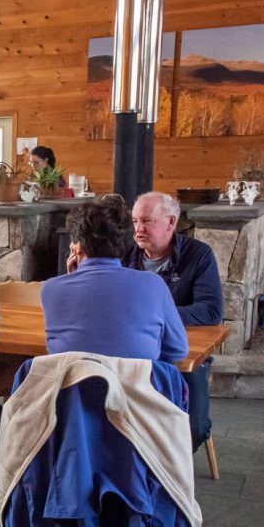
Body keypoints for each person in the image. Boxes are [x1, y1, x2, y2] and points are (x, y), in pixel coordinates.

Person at [122, 191, 222, 451]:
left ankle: (169, 474)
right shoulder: (124, 255)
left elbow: (211, 311)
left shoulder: (198, 255)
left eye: (146, 221)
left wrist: (158, 315)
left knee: (195, 429)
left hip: (182, 355)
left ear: (170, 222)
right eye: (134, 221)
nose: (138, 229)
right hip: (131, 352)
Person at [43, 198, 187, 363]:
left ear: (78, 247)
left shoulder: (51, 289)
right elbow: (178, 350)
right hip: (137, 387)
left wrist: (72, 278)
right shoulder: (154, 285)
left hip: (74, 387)